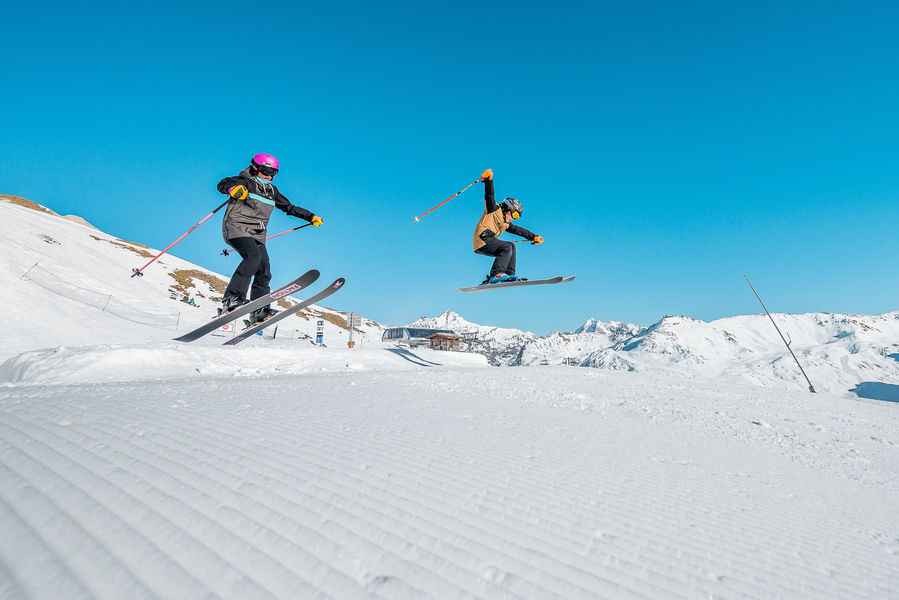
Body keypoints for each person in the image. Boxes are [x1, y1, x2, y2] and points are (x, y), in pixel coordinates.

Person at [217, 153, 323, 320]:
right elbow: (222, 184)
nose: (270, 176)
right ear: (255, 168)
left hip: (257, 234)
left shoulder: (272, 191)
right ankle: (232, 298)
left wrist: (310, 216)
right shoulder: (244, 181)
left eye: (273, 173)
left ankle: (259, 310)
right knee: (253, 257)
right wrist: (233, 189)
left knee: (264, 269)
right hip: (237, 228)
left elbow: (289, 207)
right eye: (266, 171)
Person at [472, 169, 543, 284]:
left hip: (488, 241)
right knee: (507, 247)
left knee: (511, 246)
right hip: (482, 240)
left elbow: (518, 230)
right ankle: (496, 274)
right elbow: (490, 195)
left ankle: (510, 274)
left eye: (517, 217)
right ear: (507, 208)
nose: (513, 218)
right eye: (514, 214)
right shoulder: (493, 209)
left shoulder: (505, 223)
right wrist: (488, 180)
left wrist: (533, 237)